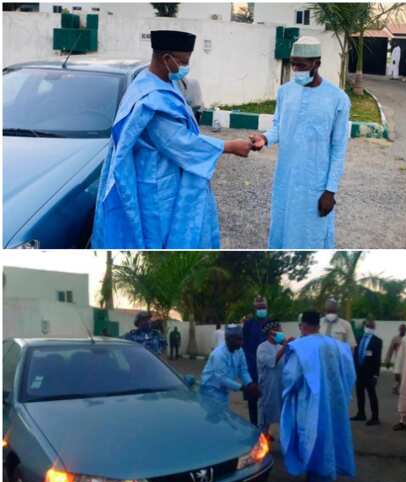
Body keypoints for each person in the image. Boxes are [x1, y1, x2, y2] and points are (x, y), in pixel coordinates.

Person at [91, 30, 252, 249]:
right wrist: (230, 146)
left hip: (161, 173)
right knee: (160, 239)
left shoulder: (153, 82)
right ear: (167, 59)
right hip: (157, 184)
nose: (186, 67)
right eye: (183, 62)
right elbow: (179, 142)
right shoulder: (152, 98)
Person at [249, 36, 349, 249]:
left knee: (311, 236)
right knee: (282, 230)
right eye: (293, 64)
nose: (296, 69)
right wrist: (264, 138)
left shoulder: (338, 99)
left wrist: (330, 191)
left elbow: (339, 148)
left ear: (317, 64)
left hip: (316, 183)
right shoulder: (285, 92)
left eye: (301, 65)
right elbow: (279, 126)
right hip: (285, 179)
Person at [281, 310, 356, 482]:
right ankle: (322, 481)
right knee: (330, 437)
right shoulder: (338, 346)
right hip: (333, 403)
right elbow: (350, 374)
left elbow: (291, 377)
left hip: (310, 404)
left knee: (311, 438)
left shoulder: (300, 347)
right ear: (318, 324)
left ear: (302, 325)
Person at [202, 324, 259, 403]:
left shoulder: (239, 351)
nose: (241, 342)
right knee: (215, 413)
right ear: (228, 339)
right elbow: (221, 378)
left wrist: (250, 384)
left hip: (224, 390)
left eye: (242, 339)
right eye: (238, 339)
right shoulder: (219, 354)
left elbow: (243, 370)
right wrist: (243, 388)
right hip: (211, 390)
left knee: (222, 412)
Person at [257, 321, 292, 439]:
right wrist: (284, 347)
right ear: (271, 333)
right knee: (265, 415)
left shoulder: (279, 346)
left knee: (284, 414)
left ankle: (286, 441)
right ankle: (262, 442)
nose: (281, 333)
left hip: (282, 385)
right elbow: (272, 362)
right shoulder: (262, 347)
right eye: (279, 330)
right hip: (268, 387)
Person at [241, 295, 270, 426]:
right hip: (252, 367)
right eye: (258, 307)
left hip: (268, 367)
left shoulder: (271, 323)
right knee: (253, 399)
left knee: (267, 400)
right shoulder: (248, 324)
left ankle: (265, 430)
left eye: (263, 307)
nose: (261, 309)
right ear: (254, 308)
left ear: (267, 307)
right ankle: (254, 426)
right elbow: (243, 345)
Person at [352, 318, 383, 426]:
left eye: (371, 326)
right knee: (359, 393)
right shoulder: (358, 338)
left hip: (370, 373)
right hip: (359, 371)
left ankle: (375, 417)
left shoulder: (377, 341)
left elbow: (378, 359)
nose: (368, 328)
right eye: (367, 326)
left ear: (374, 328)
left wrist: (376, 375)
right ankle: (361, 414)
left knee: (372, 394)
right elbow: (355, 354)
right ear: (364, 327)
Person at [387, 324, 406, 394]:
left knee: (404, 376)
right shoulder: (395, 339)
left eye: (404, 329)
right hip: (397, 360)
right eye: (401, 329)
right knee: (397, 376)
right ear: (399, 330)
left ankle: (398, 388)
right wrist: (388, 361)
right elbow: (390, 350)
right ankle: (396, 387)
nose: (402, 331)